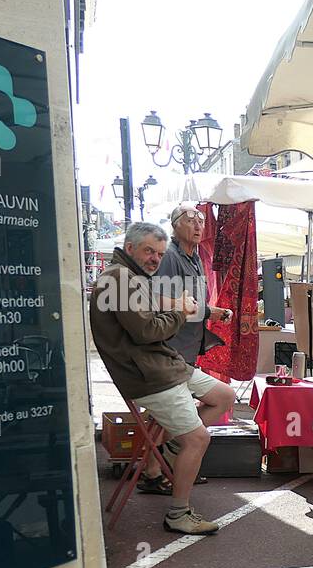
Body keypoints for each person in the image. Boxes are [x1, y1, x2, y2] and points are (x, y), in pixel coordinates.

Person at [89, 222, 235, 535]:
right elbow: (147, 331)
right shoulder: (119, 278)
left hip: (162, 366)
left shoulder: (129, 277)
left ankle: (168, 454)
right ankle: (178, 513)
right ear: (130, 249)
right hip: (150, 375)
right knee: (198, 439)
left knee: (224, 396)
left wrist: (188, 309)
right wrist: (181, 312)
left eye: (158, 253)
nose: (155, 258)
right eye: (148, 251)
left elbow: (152, 313)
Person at [154, 204, 233, 366]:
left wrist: (210, 312)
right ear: (175, 225)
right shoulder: (169, 255)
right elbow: (161, 302)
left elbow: (194, 300)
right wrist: (209, 312)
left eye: (201, 222)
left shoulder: (195, 258)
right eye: (190, 221)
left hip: (188, 349)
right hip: (172, 350)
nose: (198, 226)